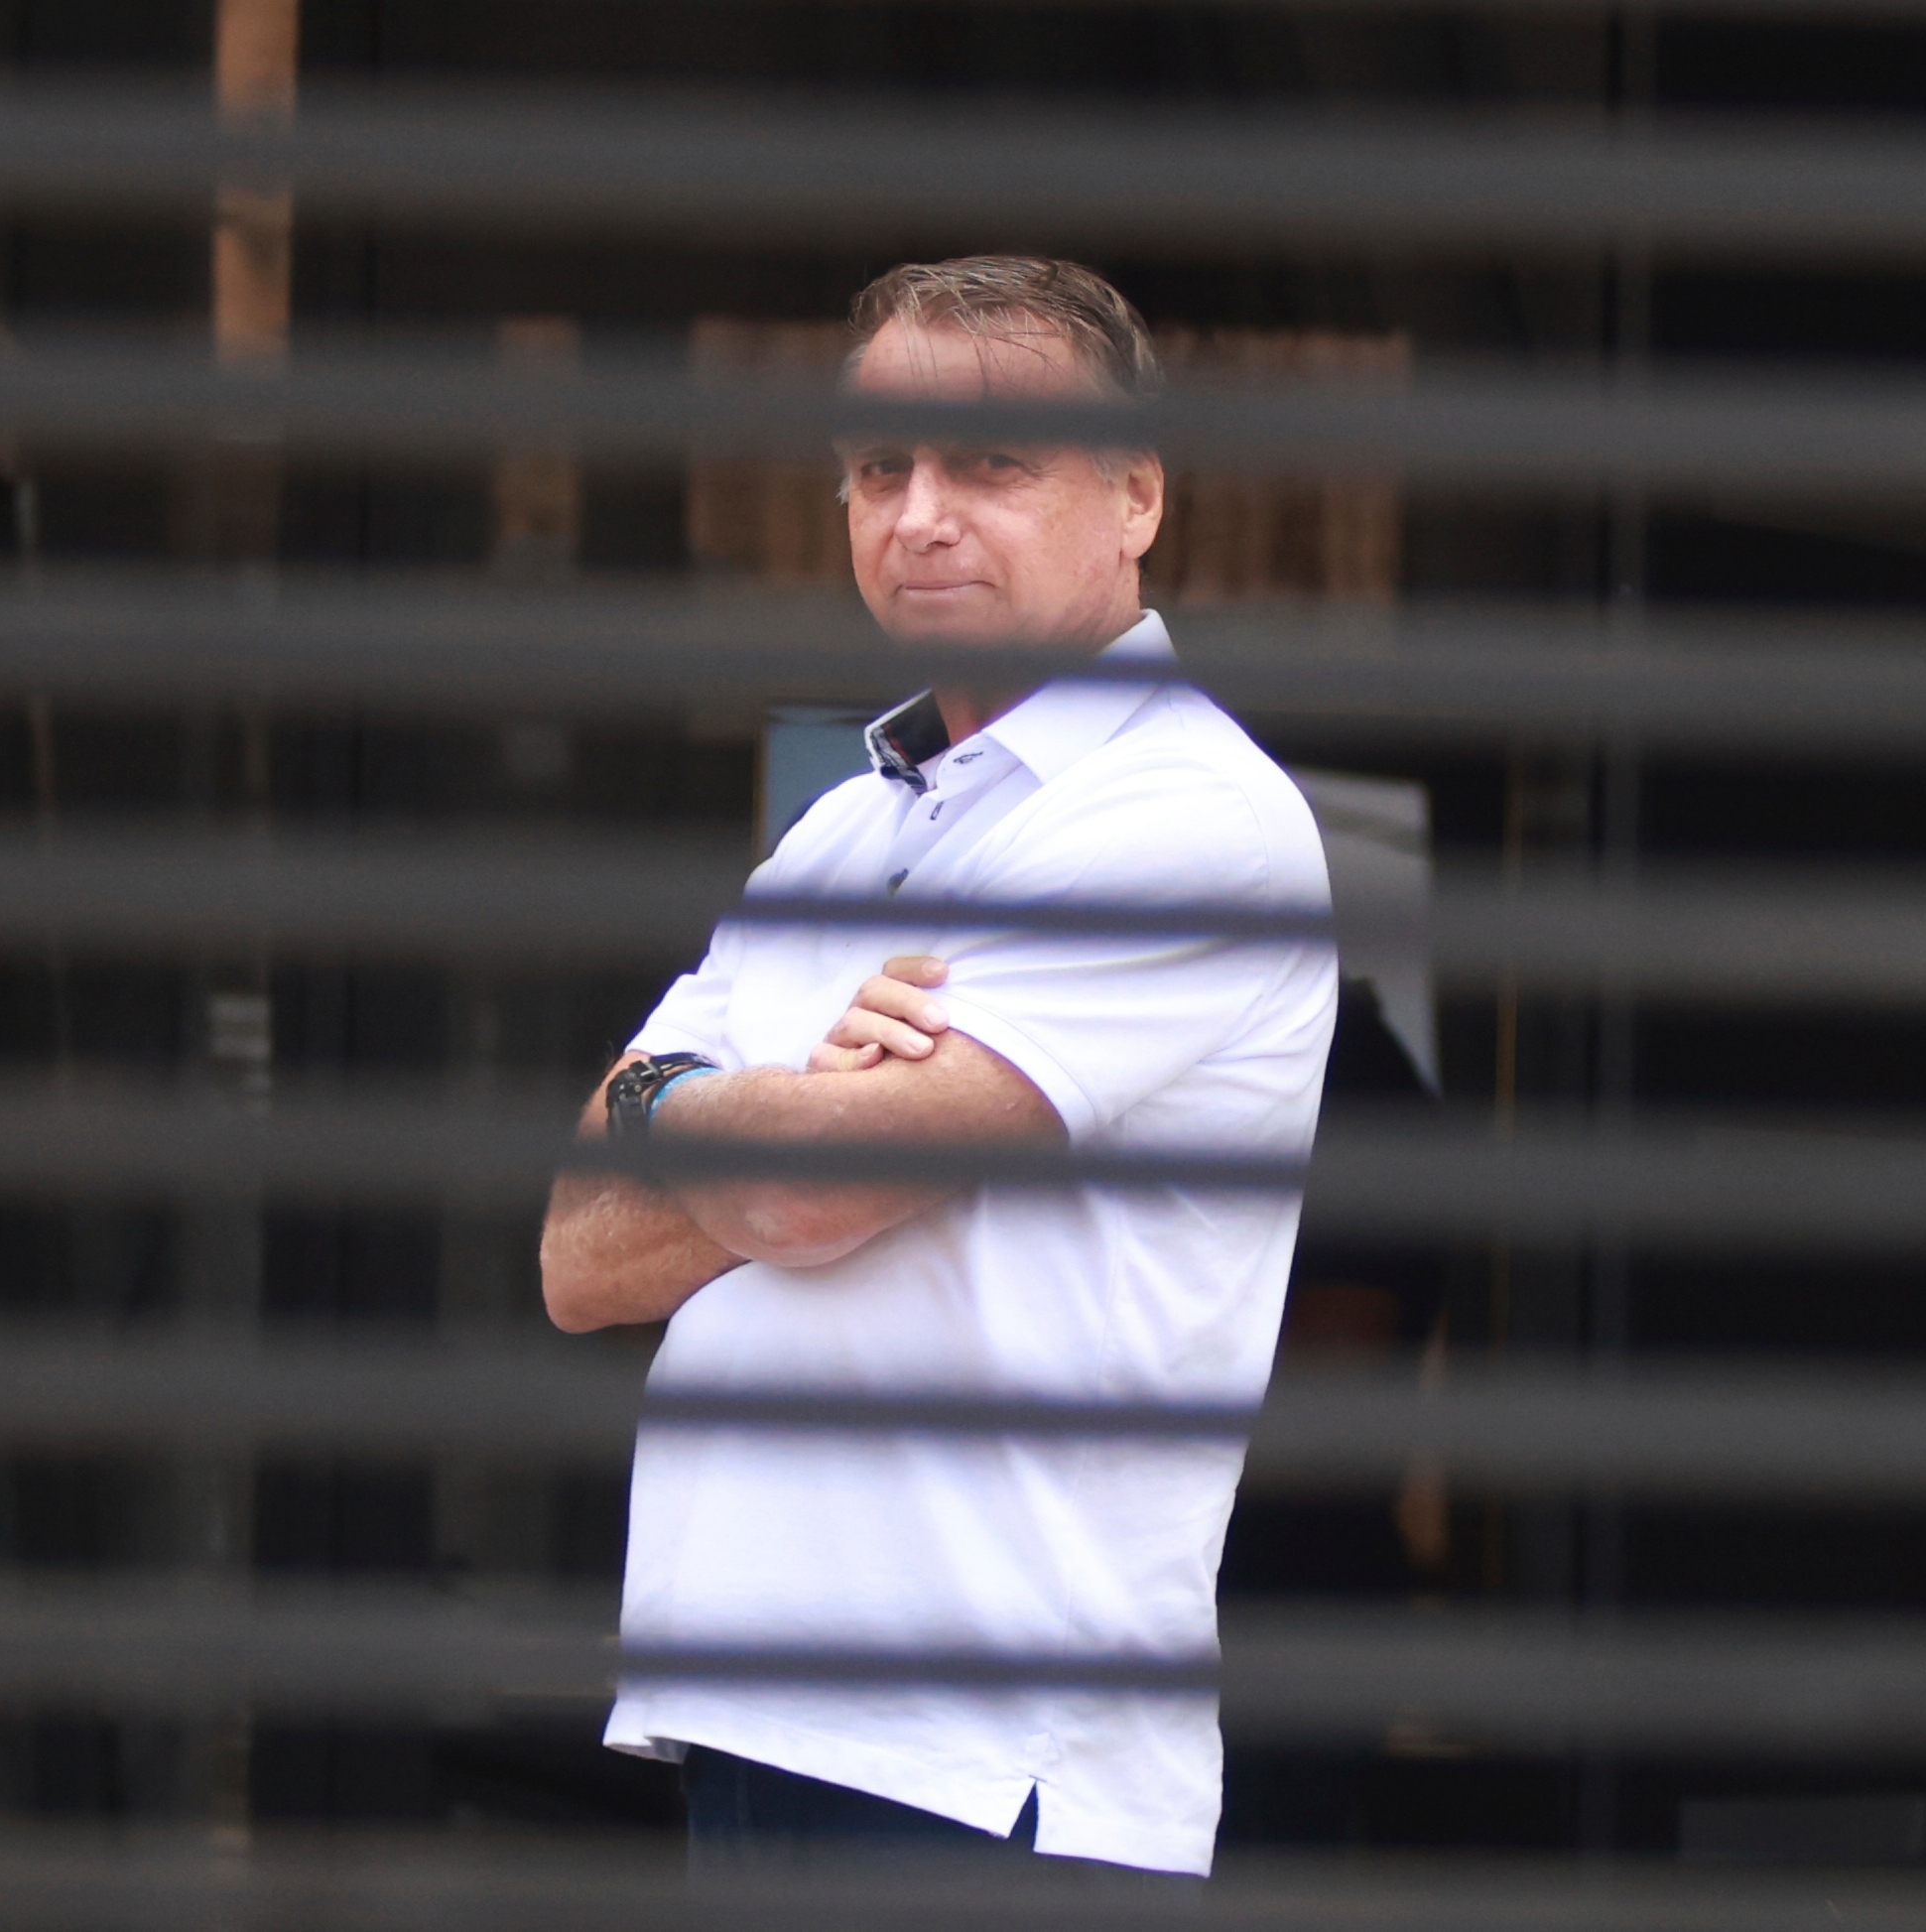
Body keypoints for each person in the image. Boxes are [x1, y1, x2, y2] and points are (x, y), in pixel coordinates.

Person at [539, 257, 1337, 1883]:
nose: (920, 514)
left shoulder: (1183, 819)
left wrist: (678, 1107)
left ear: (1137, 497)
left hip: (991, 1776)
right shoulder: (852, 823)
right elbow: (577, 1256)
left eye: (991, 464)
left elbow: (799, 1194)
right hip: (771, 1723)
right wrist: (748, 1118)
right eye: (882, 466)